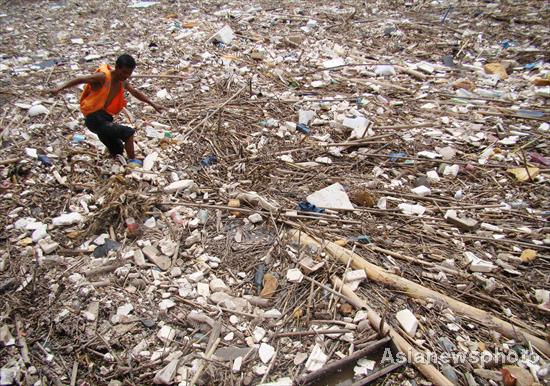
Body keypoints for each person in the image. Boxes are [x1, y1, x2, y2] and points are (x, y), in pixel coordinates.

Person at [49, 54, 163, 166]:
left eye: (129, 73)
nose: (126, 76)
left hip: (105, 118)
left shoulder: (122, 81)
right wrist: (59, 89)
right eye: (124, 72)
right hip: (95, 118)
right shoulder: (103, 77)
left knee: (117, 148)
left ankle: (117, 164)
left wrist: (153, 104)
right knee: (128, 133)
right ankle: (132, 161)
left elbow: (135, 93)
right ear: (117, 67)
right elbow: (80, 79)